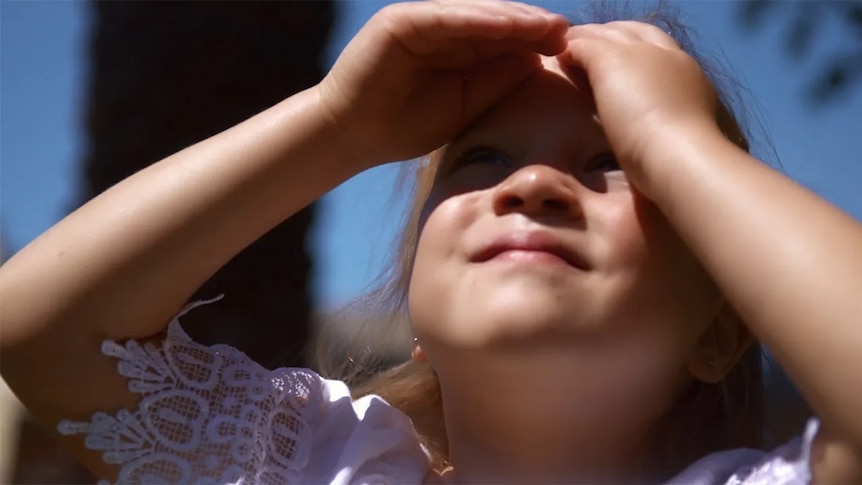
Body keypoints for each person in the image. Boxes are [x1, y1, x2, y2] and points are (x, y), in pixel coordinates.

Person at [1, 0, 860, 483]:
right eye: (482, 158)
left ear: (717, 329)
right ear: (416, 309)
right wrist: (338, 123)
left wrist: (678, 141)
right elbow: (43, 330)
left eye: (616, 163)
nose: (531, 185)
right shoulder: (320, 467)